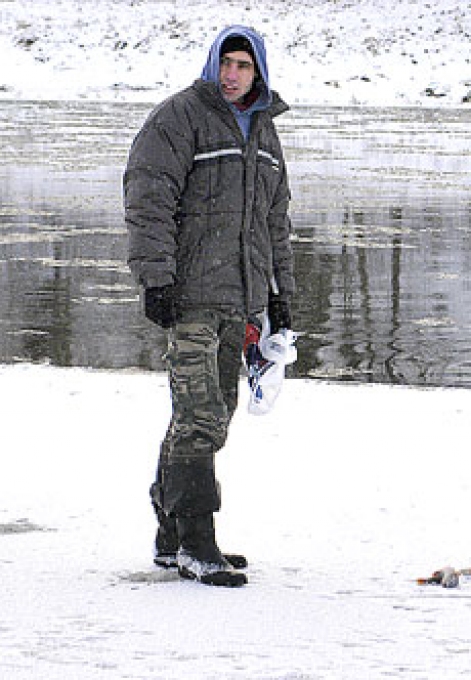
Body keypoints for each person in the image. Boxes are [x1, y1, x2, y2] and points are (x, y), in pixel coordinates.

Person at [124, 25, 295, 587]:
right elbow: (149, 199)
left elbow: (276, 224)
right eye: (226, 63)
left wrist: (279, 298)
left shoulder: (265, 134)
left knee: (209, 415)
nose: (232, 75)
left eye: (243, 65)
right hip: (192, 297)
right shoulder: (179, 118)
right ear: (211, 64)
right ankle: (198, 541)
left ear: (258, 72)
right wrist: (156, 280)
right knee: (199, 418)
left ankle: (171, 534)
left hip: (241, 302)